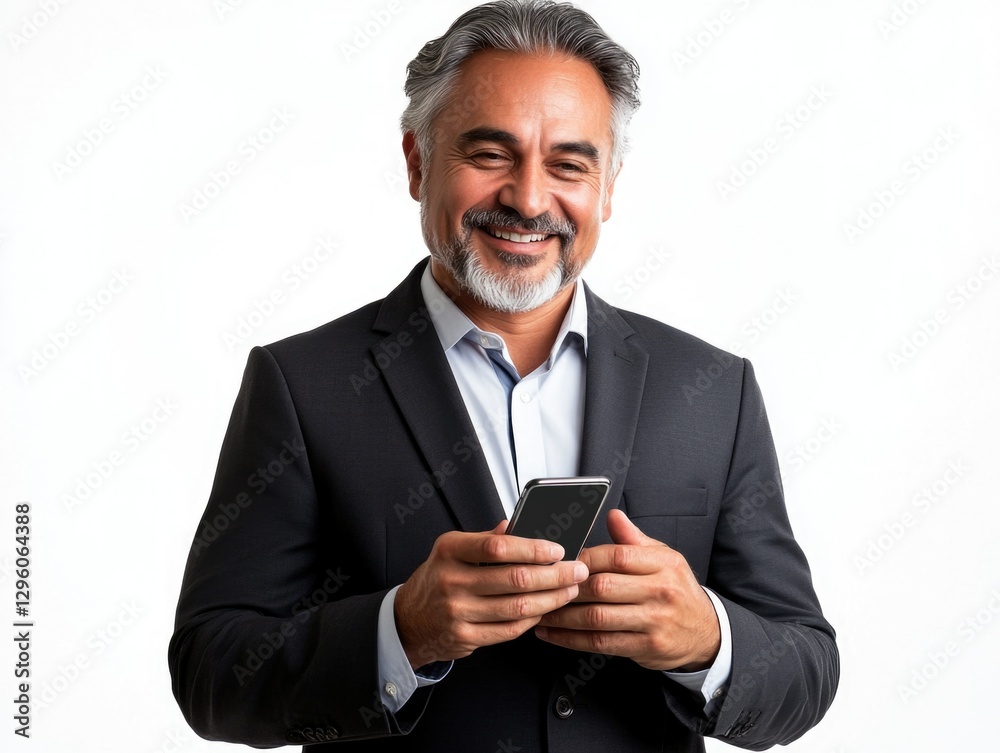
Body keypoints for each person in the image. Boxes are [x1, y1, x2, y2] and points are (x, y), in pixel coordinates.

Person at [168, 1, 838, 750]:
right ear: (418, 163)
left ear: (608, 187)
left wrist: (706, 637)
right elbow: (211, 673)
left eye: (568, 164)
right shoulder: (303, 385)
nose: (527, 198)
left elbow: (807, 668)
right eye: (490, 154)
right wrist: (400, 629)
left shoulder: (715, 389)